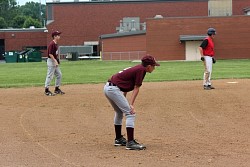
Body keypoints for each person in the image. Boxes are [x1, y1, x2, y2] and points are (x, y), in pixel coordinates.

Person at [104, 55, 160, 150]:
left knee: (119, 112)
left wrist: (124, 100)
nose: (154, 68)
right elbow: (136, 88)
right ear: (149, 66)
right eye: (154, 66)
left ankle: (118, 139)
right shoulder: (141, 70)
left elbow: (124, 85)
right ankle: (130, 142)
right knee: (131, 113)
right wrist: (131, 105)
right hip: (113, 89)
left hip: (108, 88)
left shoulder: (138, 68)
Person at [44, 30, 65, 96]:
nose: (59, 36)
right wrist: (55, 61)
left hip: (54, 61)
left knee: (59, 74)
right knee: (50, 76)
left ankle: (57, 89)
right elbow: (50, 54)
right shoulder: (52, 44)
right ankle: (46, 90)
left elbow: (55, 54)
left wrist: (57, 60)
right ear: (54, 36)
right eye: (58, 35)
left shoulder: (55, 44)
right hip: (51, 61)